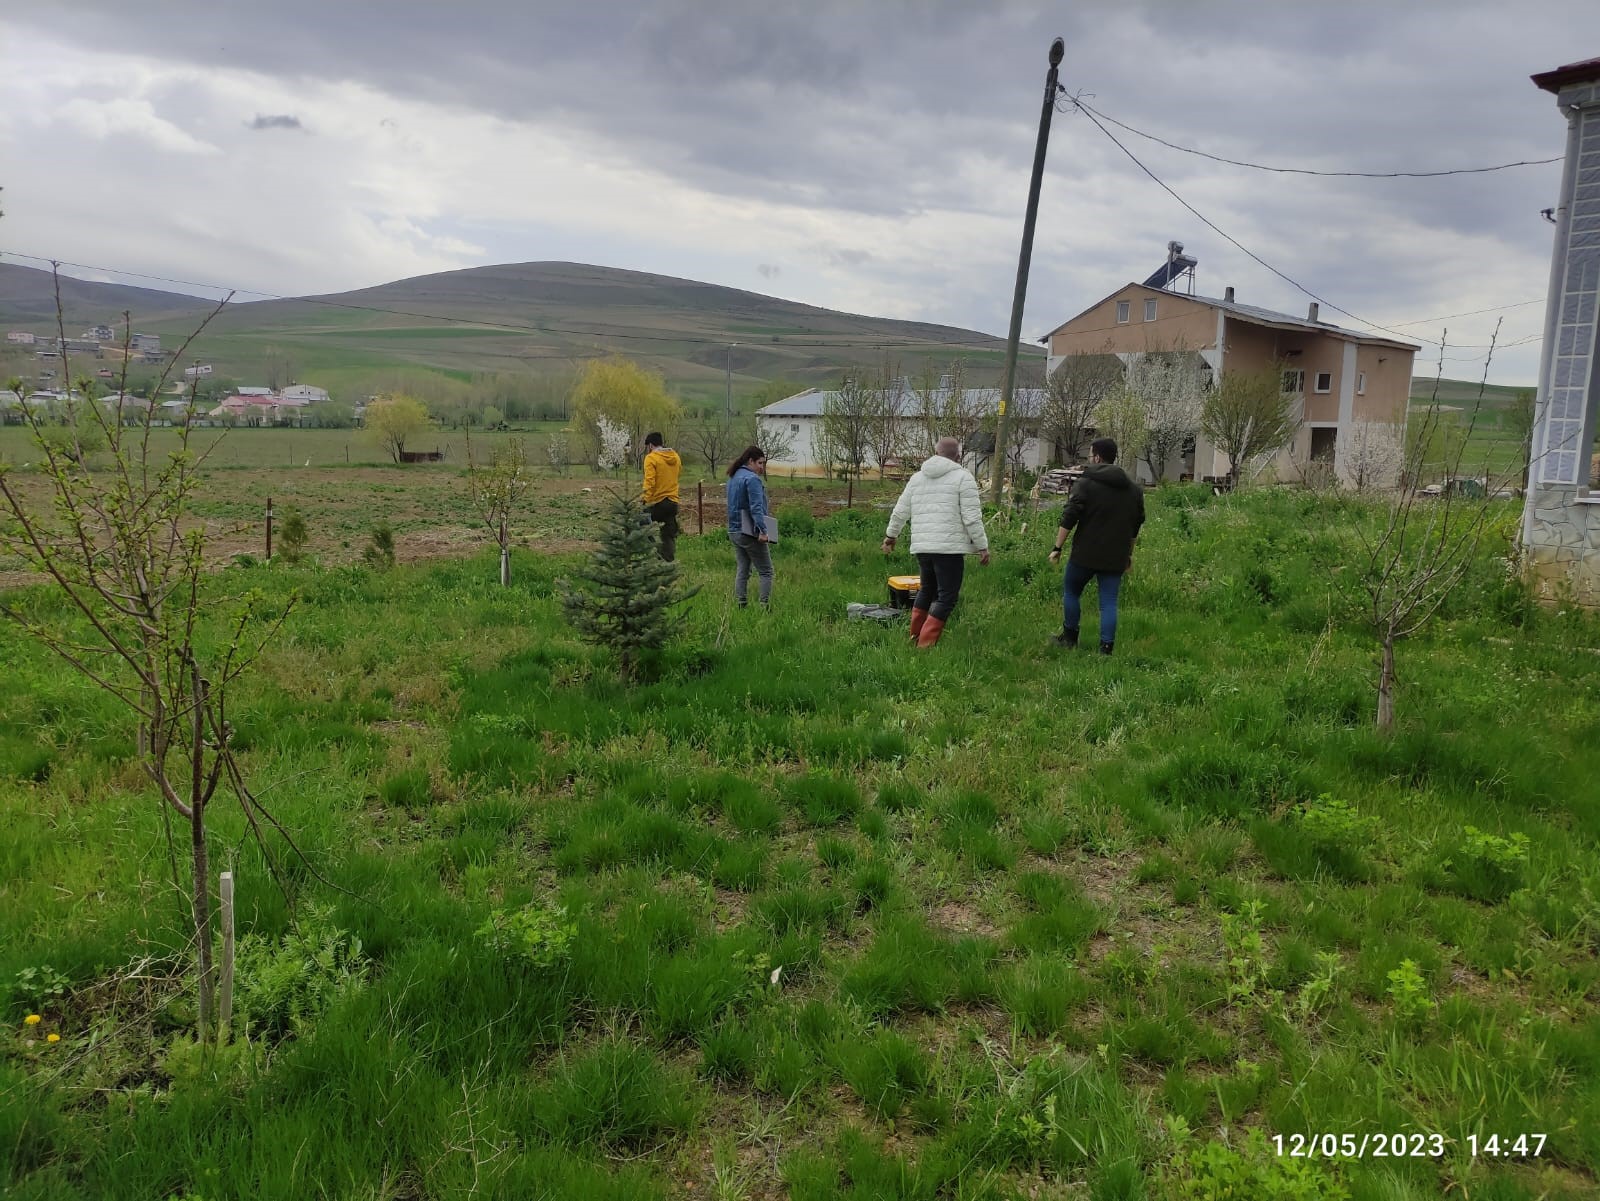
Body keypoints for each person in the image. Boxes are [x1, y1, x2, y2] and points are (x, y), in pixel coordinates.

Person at [880, 437, 990, 647]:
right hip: (948, 549)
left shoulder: (917, 478)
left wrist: (891, 536)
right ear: (958, 456)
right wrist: (982, 546)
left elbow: (901, 510)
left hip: (923, 546)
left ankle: (914, 637)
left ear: (935, 453)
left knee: (927, 589)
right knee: (947, 597)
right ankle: (925, 646)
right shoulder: (963, 477)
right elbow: (972, 517)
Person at [1048, 436, 1145, 655]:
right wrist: (1128, 556)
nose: (1089, 459)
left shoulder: (1087, 483)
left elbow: (1070, 516)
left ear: (1098, 457)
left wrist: (1057, 547)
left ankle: (1070, 638)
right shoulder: (1134, 490)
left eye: (1090, 455)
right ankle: (1106, 649)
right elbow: (1135, 526)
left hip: (1085, 553)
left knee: (1072, 592)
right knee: (1108, 602)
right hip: (1115, 555)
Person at [726, 445, 772, 608]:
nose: (762, 467)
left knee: (743, 568)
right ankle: (764, 607)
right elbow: (756, 507)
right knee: (766, 571)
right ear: (750, 461)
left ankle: (741, 604)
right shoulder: (752, 479)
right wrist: (763, 531)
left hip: (734, 530)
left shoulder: (733, 476)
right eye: (760, 463)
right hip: (749, 531)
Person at [641, 431, 682, 561]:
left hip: (657, 502)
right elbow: (677, 474)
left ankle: (655, 554)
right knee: (668, 534)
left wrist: (645, 500)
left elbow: (650, 481)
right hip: (673, 502)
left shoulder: (651, 458)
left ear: (651, 445)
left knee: (641, 523)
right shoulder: (675, 457)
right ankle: (668, 562)